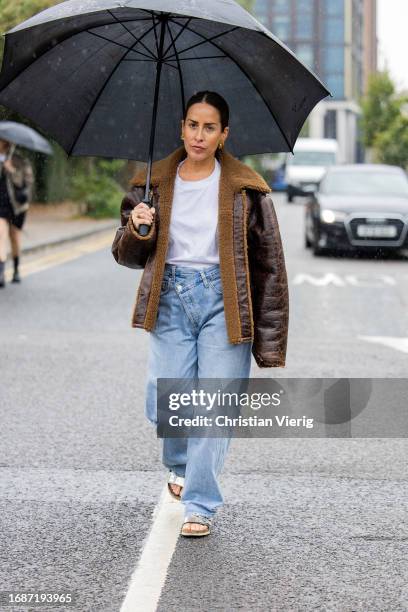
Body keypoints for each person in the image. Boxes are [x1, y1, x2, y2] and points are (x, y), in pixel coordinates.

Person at [112, 91, 289, 537]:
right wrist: (137, 229)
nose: (199, 135)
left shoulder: (247, 189)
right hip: (170, 297)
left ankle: (200, 505)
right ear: (182, 127)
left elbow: (269, 263)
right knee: (164, 400)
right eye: (192, 124)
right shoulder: (151, 184)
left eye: (209, 127)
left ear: (223, 134)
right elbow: (127, 256)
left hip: (224, 300)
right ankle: (178, 463)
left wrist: (269, 335)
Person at [0, 139, 34, 287]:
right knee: (0, 234)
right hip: (1, 204)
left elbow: (27, 182)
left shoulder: (20, 159)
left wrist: (11, 170)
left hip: (17, 206)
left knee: (14, 237)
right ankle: (1, 273)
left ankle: (16, 269)